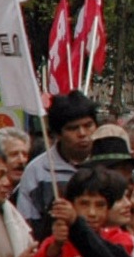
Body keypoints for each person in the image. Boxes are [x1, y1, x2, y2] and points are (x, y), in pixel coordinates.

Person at [14, 91, 101, 234]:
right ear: (57, 134)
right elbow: (26, 226)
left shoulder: (107, 164)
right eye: (73, 128)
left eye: (88, 125)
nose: (82, 133)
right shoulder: (37, 171)